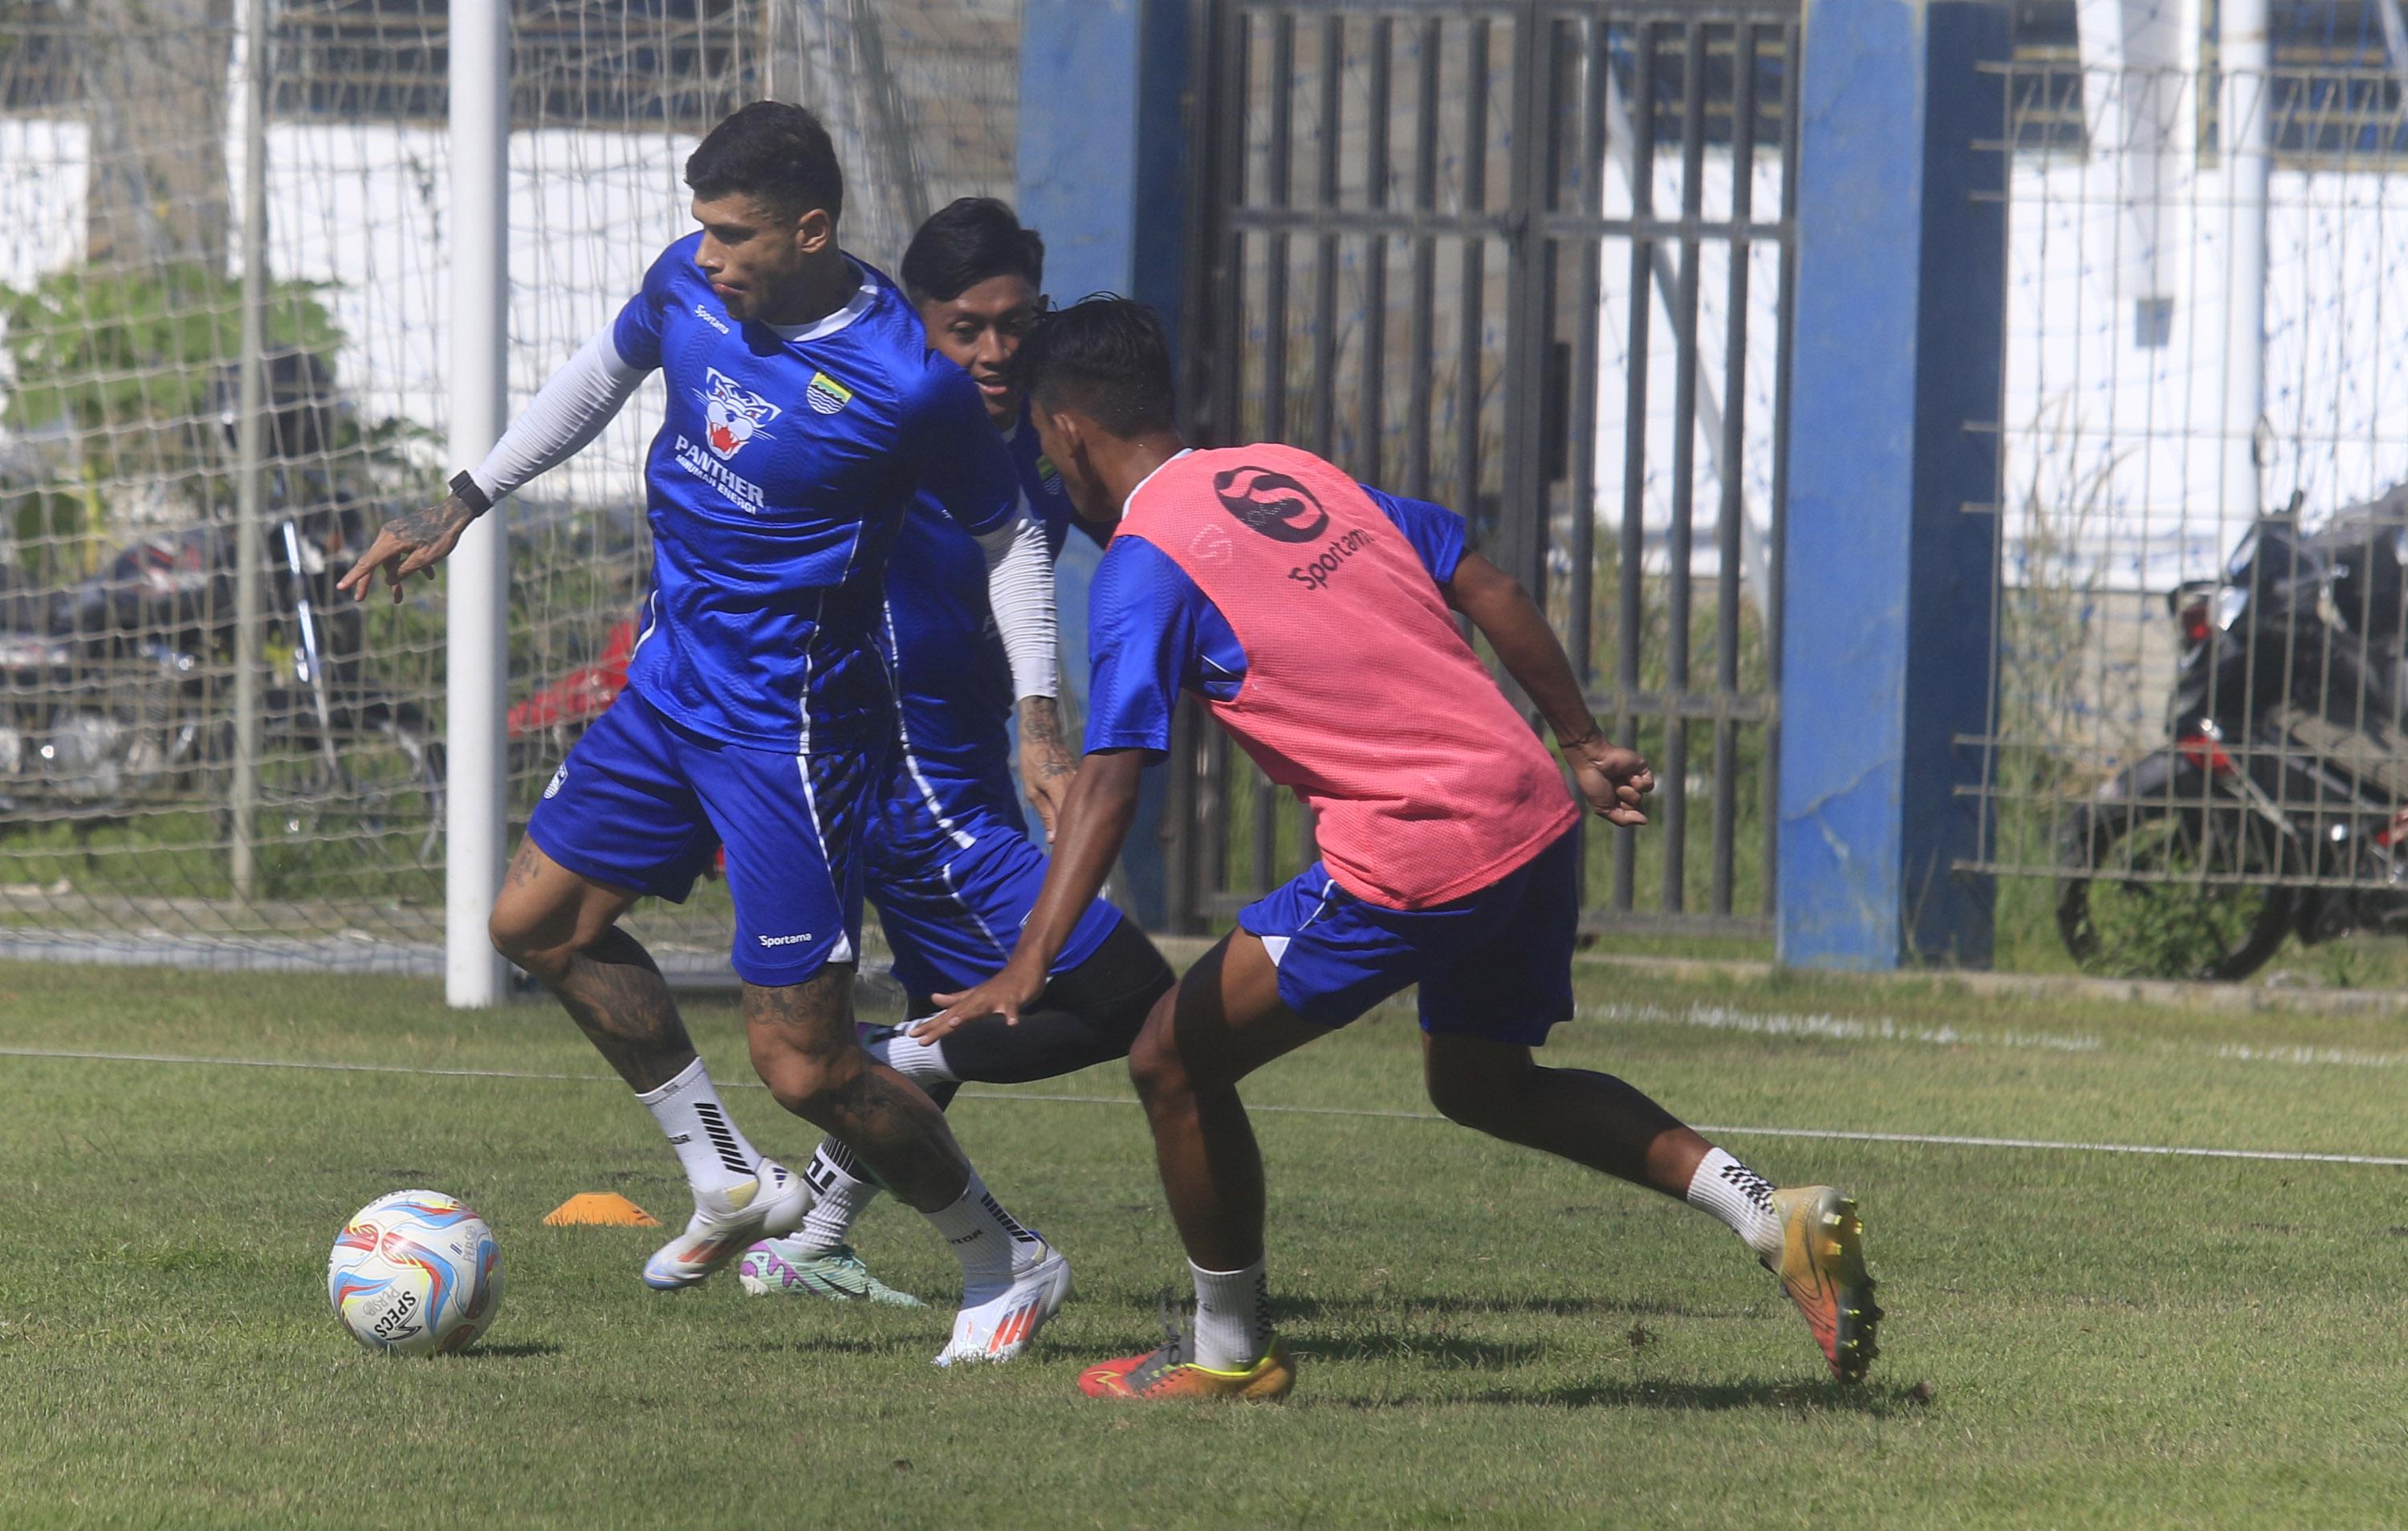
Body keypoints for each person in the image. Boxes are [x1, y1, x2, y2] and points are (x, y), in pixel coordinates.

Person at [923, 298, 1881, 1400]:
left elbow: (1112, 775)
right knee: (1483, 1083)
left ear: (1067, 431)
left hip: (1423, 844)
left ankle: (1228, 1356)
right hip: (1530, 809)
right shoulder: (1288, 473)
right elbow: (1488, 584)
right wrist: (1580, 743)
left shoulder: (1144, 564)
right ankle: (1769, 1215)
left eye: (1048, 449)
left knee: (1170, 1061)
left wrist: (1029, 961)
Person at [336, 104, 1071, 1366]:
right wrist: (463, 500)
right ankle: (728, 1177)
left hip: (792, 735)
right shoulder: (688, 281)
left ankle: (1005, 1257)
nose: (708, 253)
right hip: (669, 686)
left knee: (805, 1065)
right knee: (534, 926)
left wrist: (1041, 719)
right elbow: (600, 372)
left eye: (734, 234)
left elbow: (1011, 536)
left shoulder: (908, 381)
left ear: (811, 230)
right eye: (702, 229)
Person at [738, 198, 1175, 1306]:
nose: (994, 350)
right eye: (965, 328)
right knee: (1131, 998)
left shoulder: (1041, 435)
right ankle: (872, 1068)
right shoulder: (884, 423)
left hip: (967, 769)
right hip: (911, 790)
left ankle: (813, 1237)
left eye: (1014, 324)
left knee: (970, 1003)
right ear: (917, 323)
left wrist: (1039, 727)